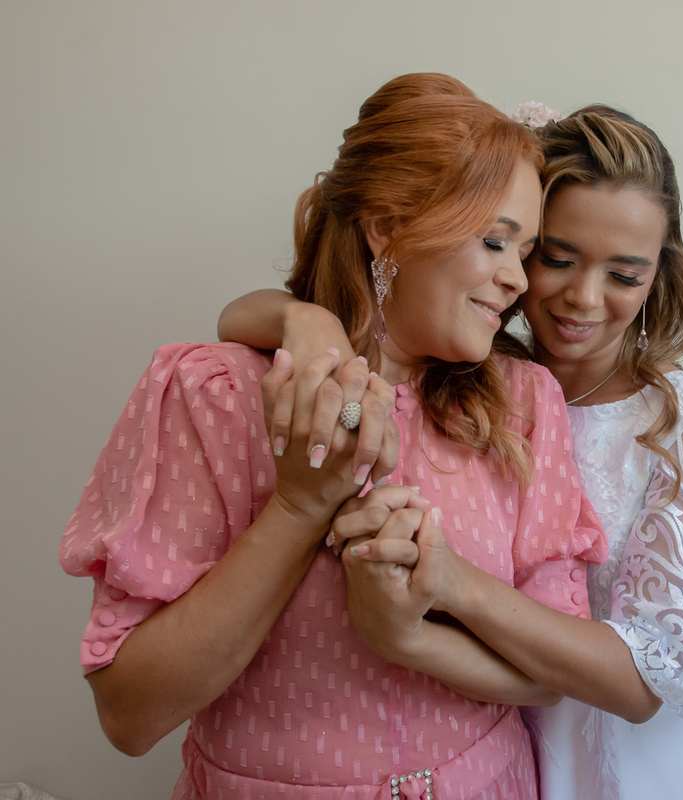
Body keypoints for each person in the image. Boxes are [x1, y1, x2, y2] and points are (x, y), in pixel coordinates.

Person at [60, 73, 606, 800]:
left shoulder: (522, 405)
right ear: (386, 227)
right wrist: (297, 507)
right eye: (494, 242)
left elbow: (558, 671)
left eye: (526, 251)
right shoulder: (216, 396)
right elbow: (129, 717)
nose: (518, 281)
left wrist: (415, 626)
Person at [220, 104, 683, 800]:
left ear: (661, 274)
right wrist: (307, 319)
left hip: (615, 776)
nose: (583, 297)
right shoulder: (475, 382)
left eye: (625, 276)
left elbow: (643, 685)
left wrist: (443, 595)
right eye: (556, 258)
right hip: (487, 757)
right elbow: (236, 320)